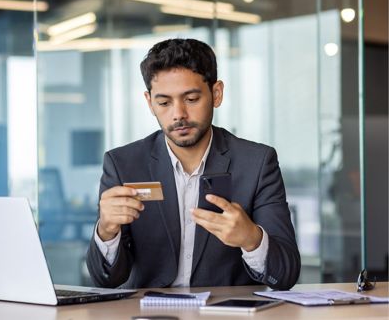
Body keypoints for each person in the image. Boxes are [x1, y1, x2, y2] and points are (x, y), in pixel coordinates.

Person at [86, 38, 300, 290]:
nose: (178, 114)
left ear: (216, 93)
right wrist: (107, 230)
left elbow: (286, 275)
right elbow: (105, 280)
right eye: (164, 103)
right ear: (149, 102)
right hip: (148, 314)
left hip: (224, 314)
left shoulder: (257, 163)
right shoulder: (123, 164)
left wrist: (252, 239)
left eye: (191, 99)